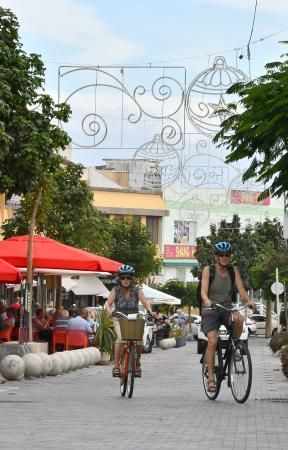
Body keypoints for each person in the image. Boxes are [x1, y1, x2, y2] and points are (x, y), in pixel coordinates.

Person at [200, 241, 255, 393]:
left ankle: (236, 346)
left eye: (227, 255)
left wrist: (248, 301)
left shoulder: (233, 270)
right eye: (221, 255)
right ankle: (211, 377)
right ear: (216, 256)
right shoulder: (208, 270)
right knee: (212, 340)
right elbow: (203, 290)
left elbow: (242, 291)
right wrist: (206, 300)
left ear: (230, 256)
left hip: (226, 307)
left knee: (239, 319)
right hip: (210, 309)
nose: (224, 257)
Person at [104, 264, 153, 378]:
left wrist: (150, 311)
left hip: (134, 318)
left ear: (132, 279)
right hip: (119, 317)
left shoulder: (137, 290)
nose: (125, 280)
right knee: (121, 339)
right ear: (119, 279)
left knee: (140, 341)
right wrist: (109, 311)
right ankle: (116, 365)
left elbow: (145, 302)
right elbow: (108, 304)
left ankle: (137, 363)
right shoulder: (115, 290)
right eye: (123, 277)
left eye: (128, 277)